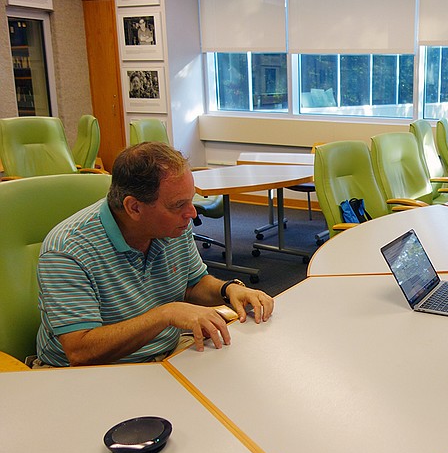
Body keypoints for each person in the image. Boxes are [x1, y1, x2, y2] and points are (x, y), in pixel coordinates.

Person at [35, 142, 274, 367]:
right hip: (90, 374)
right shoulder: (67, 249)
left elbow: (193, 284)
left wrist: (228, 290)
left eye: (191, 201)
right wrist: (166, 314)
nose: (191, 213)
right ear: (134, 207)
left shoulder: (173, 227)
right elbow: (80, 351)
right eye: (178, 205)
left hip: (166, 355)